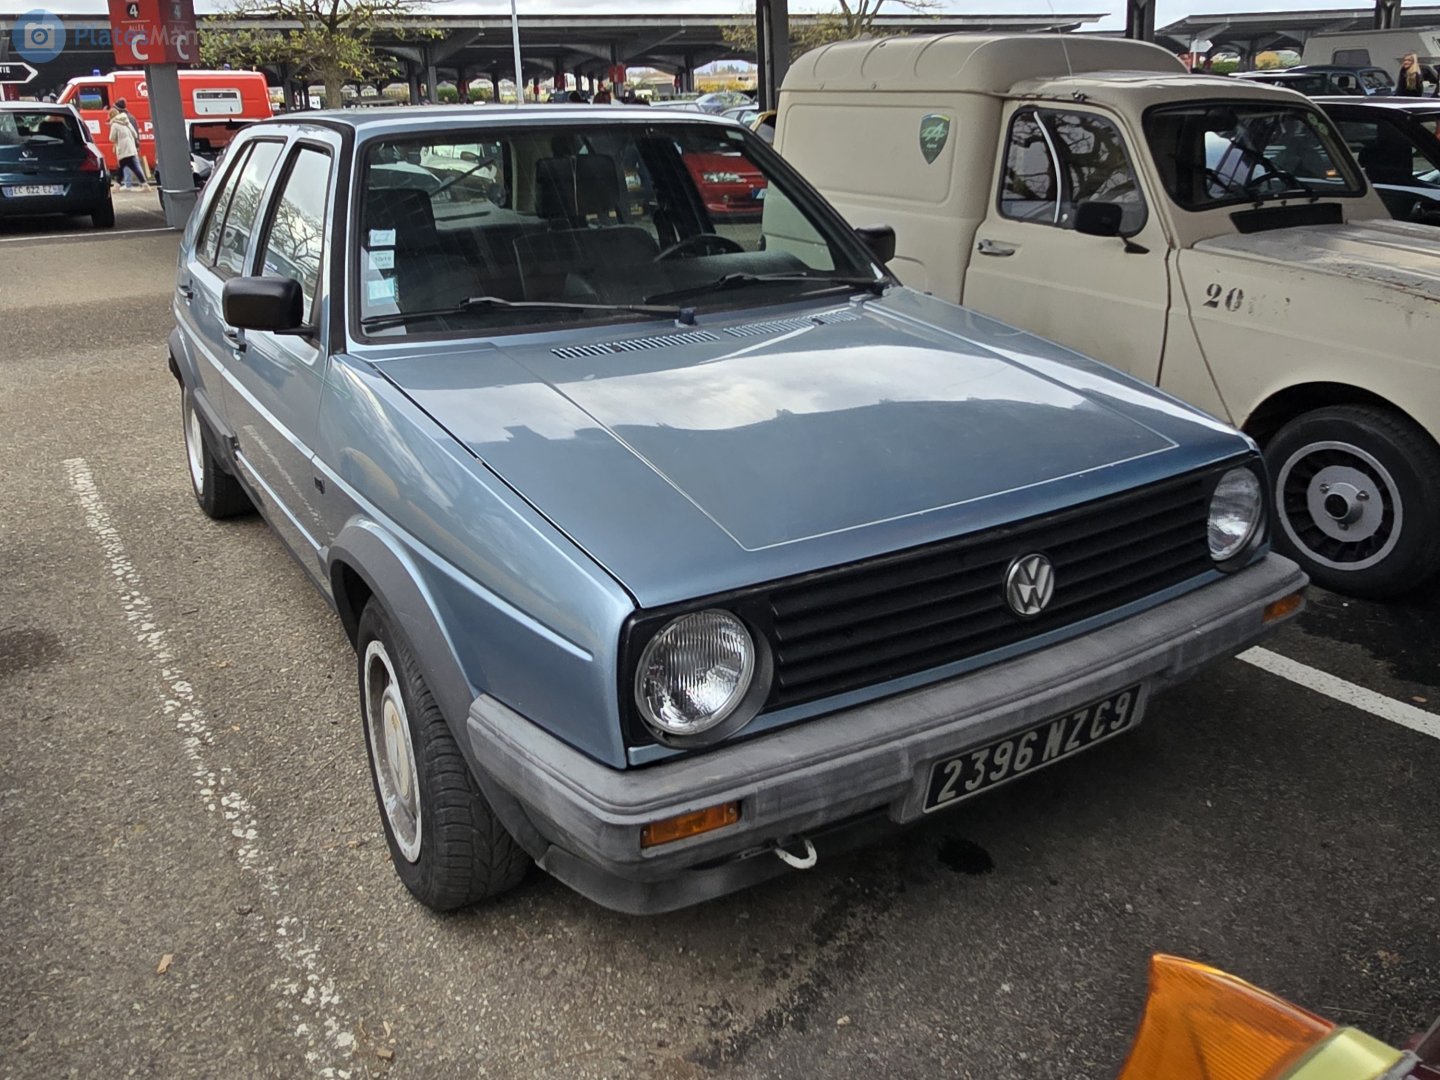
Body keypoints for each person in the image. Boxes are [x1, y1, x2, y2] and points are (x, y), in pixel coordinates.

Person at [108, 106, 145, 190]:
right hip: (131, 147)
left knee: (124, 167)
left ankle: (123, 185)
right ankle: (143, 184)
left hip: (123, 148)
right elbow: (135, 134)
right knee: (132, 166)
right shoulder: (126, 121)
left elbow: (112, 138)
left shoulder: (115, 124)